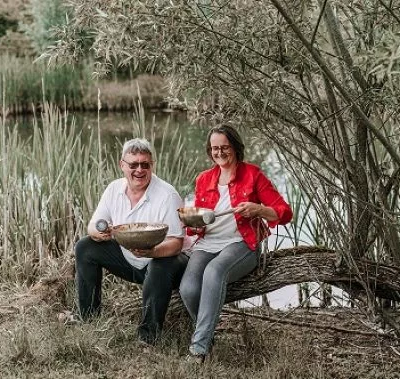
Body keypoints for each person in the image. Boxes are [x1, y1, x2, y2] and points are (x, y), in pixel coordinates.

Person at [179, 125, 292, 361]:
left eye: (224, 147)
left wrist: (258, 209)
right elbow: (198, 223)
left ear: (236, 148)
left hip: (241, 243)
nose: (219, 153)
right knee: (188, 288)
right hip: (207, 243)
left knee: (214, 271)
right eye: (215, 148)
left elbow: (284, 212)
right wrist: (194, 223)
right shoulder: (204, 179)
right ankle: (208, 336)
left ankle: (198, 350)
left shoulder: (253, 175)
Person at [74, 138, 188, 345]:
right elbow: (94, 225)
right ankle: (89, 318)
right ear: (122, 165)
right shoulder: (113, 189)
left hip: (163, 262)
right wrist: (99, 233)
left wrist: (152, 252)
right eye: (133, 165)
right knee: (85, 246)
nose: (139, 170)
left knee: (160, 265)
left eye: (145, 164)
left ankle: (148, 336)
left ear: (152, 165)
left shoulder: (168, 195)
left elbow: (176, 243)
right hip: (128, 259)